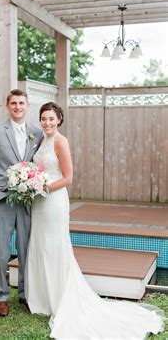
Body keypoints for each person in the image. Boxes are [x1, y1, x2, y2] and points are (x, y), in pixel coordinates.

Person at [26, 102, 165, 338]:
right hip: (39, 202)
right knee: (40, 245)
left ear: (59, 119)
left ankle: (58, 299)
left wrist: (43, 186)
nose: (47, 123)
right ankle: (42, 299)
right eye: (43, 119)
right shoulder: (41, 141)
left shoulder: (61, 141)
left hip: (53, 200)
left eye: (51, 118)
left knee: (54, 247)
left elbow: (68, 178)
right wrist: (30, 182)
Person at [0, 89, 44, 317]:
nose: (18, 107)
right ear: (7, 106)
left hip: (26, 200)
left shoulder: (36, 133)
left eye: (21, 103)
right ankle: (0, 296)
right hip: (1, 199)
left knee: (27, 248)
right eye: (14, 103)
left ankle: (25, 295)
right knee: (1, 251)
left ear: (27, 106)